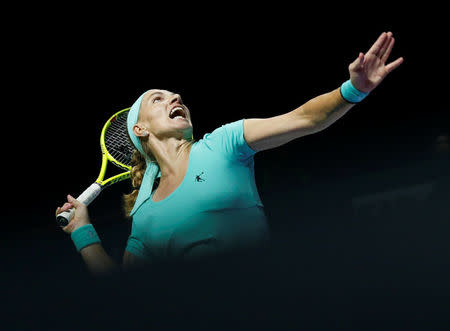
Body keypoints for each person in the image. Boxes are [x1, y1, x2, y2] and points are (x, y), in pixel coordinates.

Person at [56, 31, 403, 276]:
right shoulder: (144, 216)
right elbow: (124, 294)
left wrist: (353, 89)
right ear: (139, 130)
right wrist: (82, 231)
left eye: (175, 95)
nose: (175, 97)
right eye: (157, 99)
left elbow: (306, 118)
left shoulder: (224, 142)